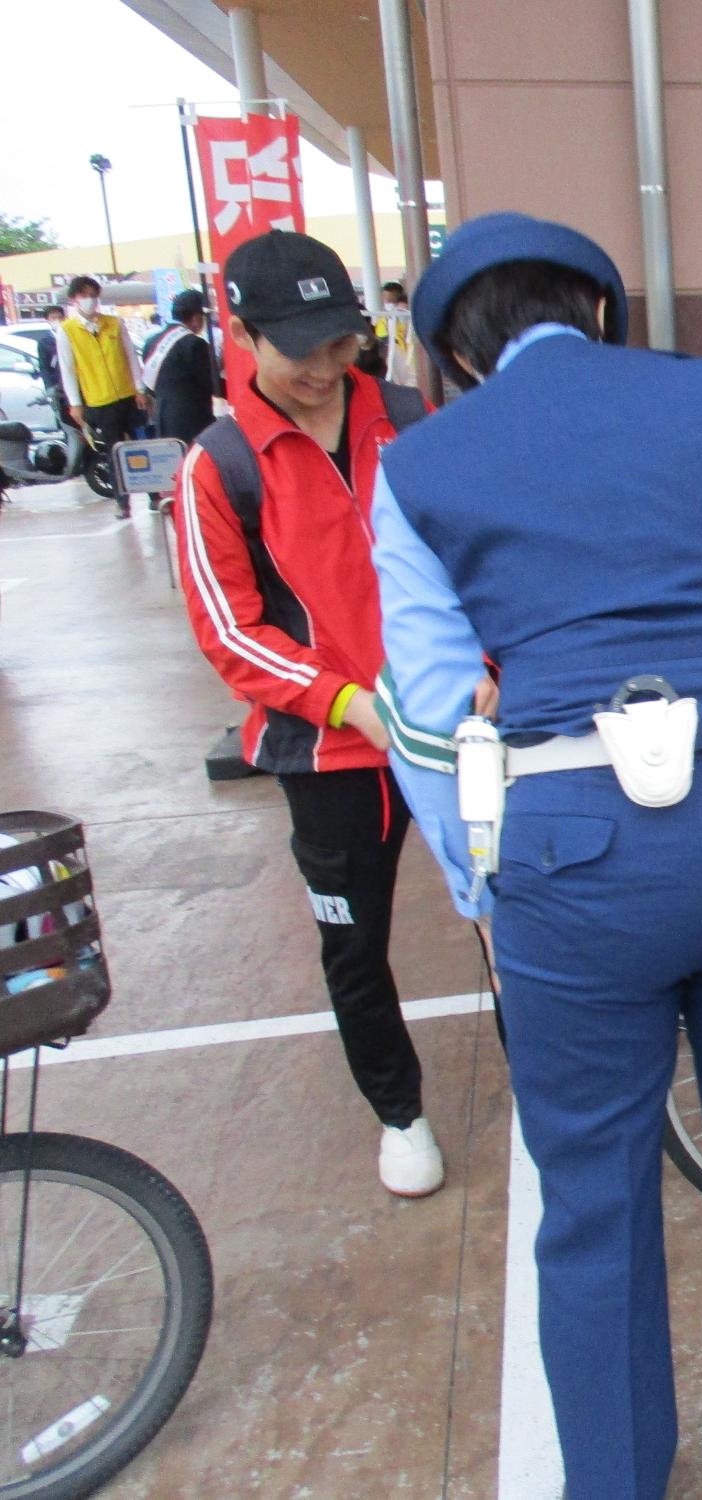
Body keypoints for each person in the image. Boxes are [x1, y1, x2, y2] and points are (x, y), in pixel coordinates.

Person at [372, 212, 702, 1500]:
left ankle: (615, 1476)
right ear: (597, 310)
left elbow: (425, 716)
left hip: (572, 848)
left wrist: (481, 875)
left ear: (454, 354)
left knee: (589, 1193)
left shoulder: (421, 464)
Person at [174, 229, 447, 1198]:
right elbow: (228, 629)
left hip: (454, 732)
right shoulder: (218, 467)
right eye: (303, 351)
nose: (330, 369)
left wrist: (485, 669)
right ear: (242, 335)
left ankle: (555, 1101)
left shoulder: (413, 422)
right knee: (354, 944)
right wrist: (344, 701)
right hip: (327, 752)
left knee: (518, 926)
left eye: (344, 342)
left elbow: (483, 559)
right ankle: (400, 1115)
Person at [54, 276, 148, 517]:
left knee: (142, 446)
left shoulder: (114, 323)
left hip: (127, 395)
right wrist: (75, 403)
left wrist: (139, 388)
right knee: (114, 452)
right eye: (83, 295)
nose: (89, 300)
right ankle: (122, 502)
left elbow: (130, 357)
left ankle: (154, 494)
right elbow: (68, 369)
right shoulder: (67, 331)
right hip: (99, 401)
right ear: (74, 299)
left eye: (92, 294)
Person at [142, 290, 220, 447]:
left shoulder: (151, 342)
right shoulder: (194, 344)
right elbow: (211, 384)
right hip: (193, 420)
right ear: (197, 318)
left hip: (163, 417)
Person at [374, 279, 417, 385]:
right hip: (391, 359)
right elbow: (381, 339)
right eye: (384, 297)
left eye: (389, 298)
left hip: (409, 361)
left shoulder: (404, 313)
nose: (386, 301)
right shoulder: (384, 319)